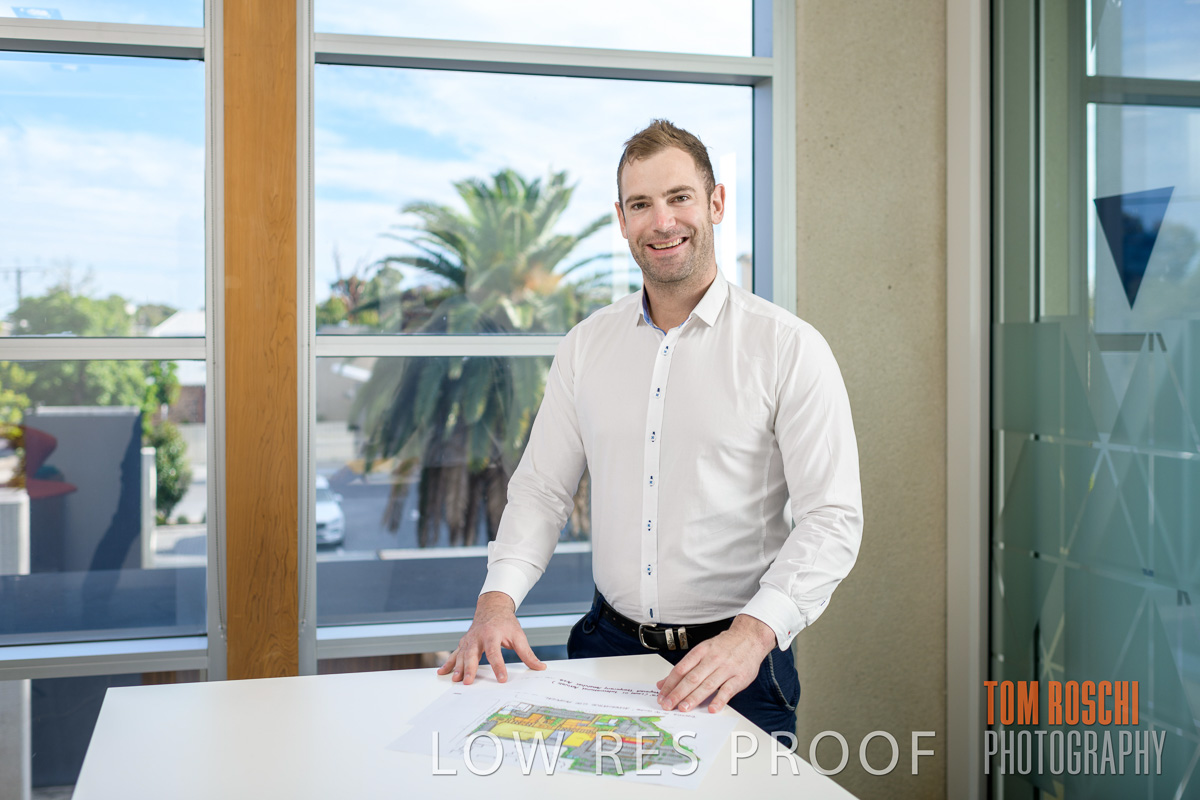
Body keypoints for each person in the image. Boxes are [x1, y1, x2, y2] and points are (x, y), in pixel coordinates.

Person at [438, 119, 863, 736]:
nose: (662, 222)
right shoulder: (585, 346)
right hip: (604, 650)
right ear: (622, 219)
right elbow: (542, 490)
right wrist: (496, 601)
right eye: (641, 204)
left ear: (716, 203)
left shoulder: (788, 347)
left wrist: (752, 636)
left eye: (679, 197)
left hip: (736, 665)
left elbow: (832, 517)